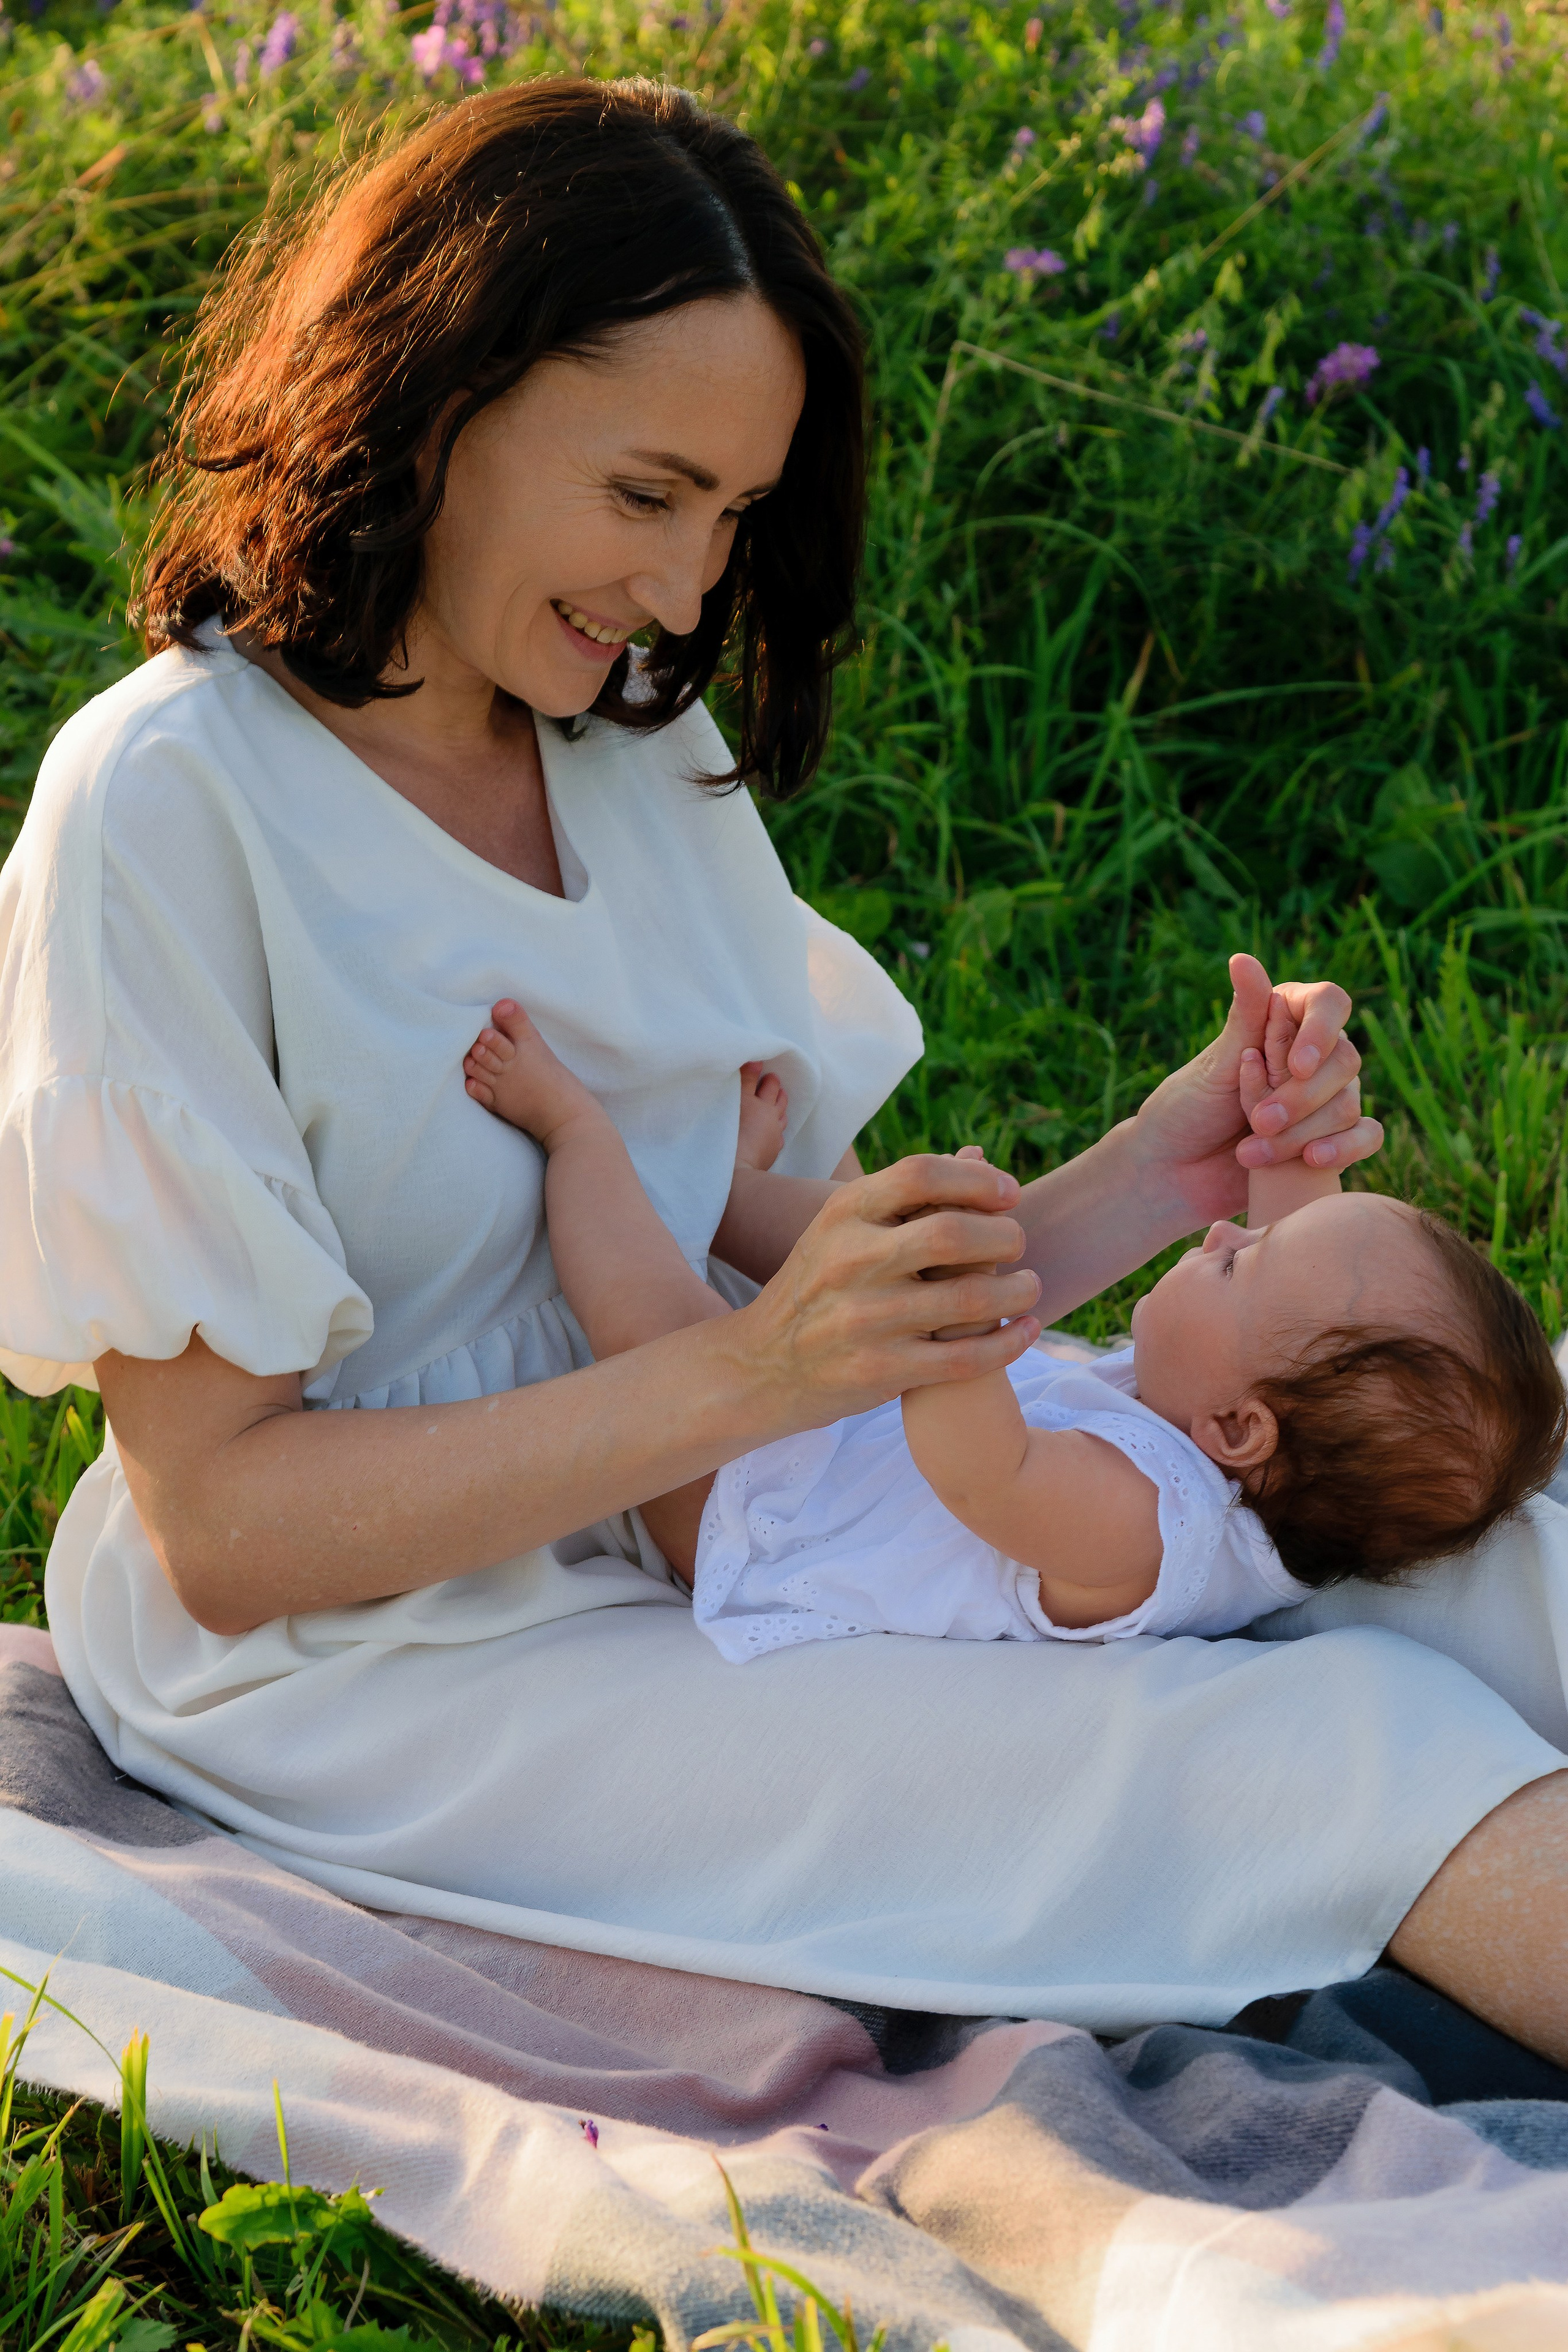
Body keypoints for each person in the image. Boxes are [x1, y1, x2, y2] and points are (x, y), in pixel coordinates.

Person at [3, 78, 1568, 2054]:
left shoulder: (625, 740)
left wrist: (1169, 1177)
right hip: (394, 1660)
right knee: (1320, 1736)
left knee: (1516, 1537)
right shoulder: (165, 809)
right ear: (426, 401)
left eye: (732, 516)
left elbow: (837, 1344)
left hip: (754, 1515)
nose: (682, 593)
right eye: (645, 495)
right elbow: (230, 1538)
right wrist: (750, 1374)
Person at [459, 963, 1566, 1657]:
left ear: (1241, 1429)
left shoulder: (1150, 1534)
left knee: (663, 1326)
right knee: (873, 1234)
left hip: (760, 1505)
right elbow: (1296, 1275)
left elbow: (992, 1476)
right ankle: (736, 1197)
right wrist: (1282, 1112)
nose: (1224, 1233)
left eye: (1237, 1262)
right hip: (854, 1432)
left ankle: (576, 1139)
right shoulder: (1257, 1431)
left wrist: (959, 1318)